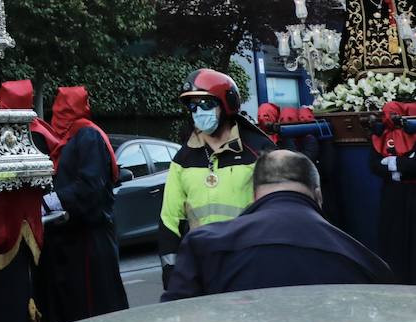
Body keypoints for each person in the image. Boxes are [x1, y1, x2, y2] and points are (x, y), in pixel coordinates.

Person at [162, 150, 391, 300]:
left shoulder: (203, 246)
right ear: (318, 195)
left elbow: (179, 320)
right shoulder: (361, 260)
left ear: (254, 196)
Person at [157, 68, 276, 288]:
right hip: (202, 266)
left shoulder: (258, 152)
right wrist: (171, 271)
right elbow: (169, 220)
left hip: (250, 262)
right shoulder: (183, 159)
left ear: (226, 105)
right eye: (192, 106)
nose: (198, 112)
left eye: (205, 104)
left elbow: (278, 210)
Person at [37, 86, 128, 322]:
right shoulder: (63, 139)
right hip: (68, 239)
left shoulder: (88, 136)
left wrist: (51, 201)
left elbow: (90, 187)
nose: (59, 112)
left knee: (91, 308)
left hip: (88, 239)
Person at [369, 100, 416, 283]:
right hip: (392, 195)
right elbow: (373, 165)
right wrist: (397, 168)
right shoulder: (380, 135)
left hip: (413, 194)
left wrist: (394, 164)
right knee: (393, 236)